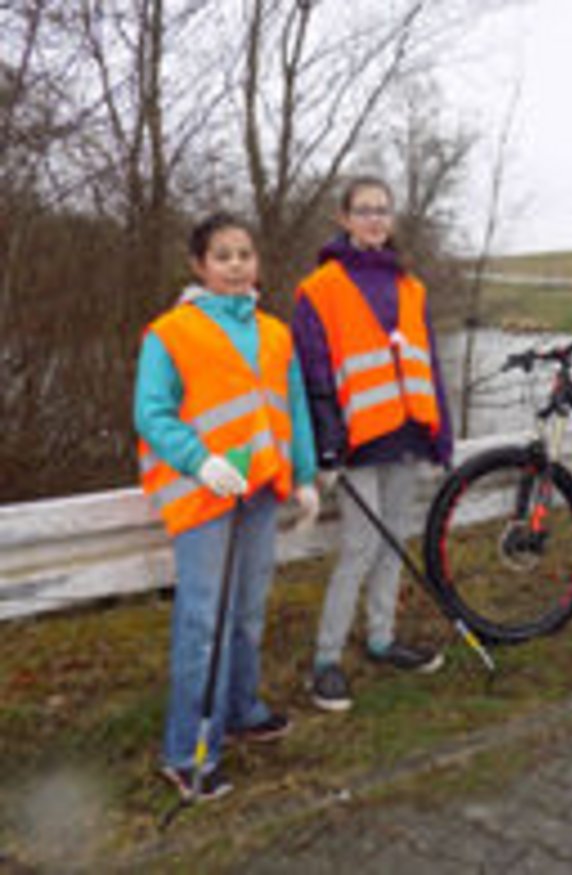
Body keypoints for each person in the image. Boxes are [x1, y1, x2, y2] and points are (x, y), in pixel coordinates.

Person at [135, 213, 320, 802]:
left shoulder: (275, 333)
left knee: (246, 614)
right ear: (199, 266)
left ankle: (241, 710)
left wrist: (305, 477)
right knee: (203, 624)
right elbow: (151, 413)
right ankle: (187, 752)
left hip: (259, 490)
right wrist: (199, 461)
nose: (236, 265)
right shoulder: (171, 333)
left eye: (244, 253)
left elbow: (293, 408)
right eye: (222, 255)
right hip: (203, 495)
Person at [293, 175, 453, 713]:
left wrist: (441, 435)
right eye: (364, 210)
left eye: (382, 209)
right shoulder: (320, 288)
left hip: (407, 434)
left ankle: (382, 639)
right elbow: (314, 374)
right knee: (360, 548)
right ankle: (326, 661)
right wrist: (327, 445)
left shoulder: (411, 287)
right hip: (358, 441)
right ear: (344, 218)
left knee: (393, 542)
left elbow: (429, 365)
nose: (375, 219)